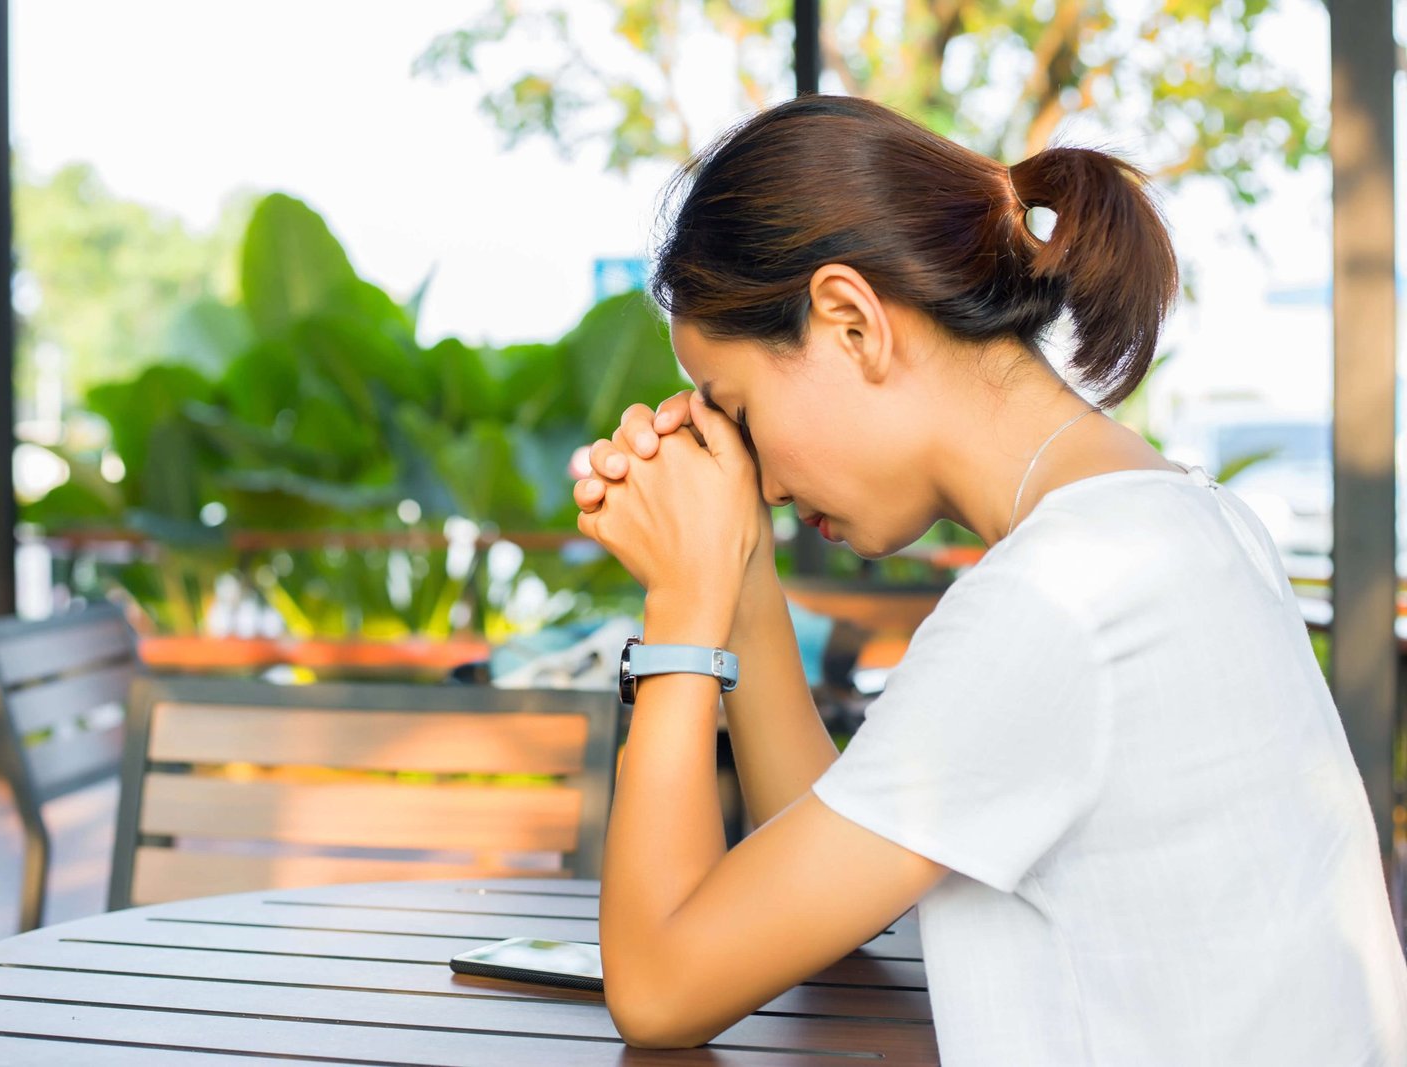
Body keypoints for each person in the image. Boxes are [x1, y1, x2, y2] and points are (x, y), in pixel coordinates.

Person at [570, 93, 1407, 1064]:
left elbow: (664, 984)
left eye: (740, 409)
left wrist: (678, 605)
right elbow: (827, 898)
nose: (748, 463)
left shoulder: (1057, 601)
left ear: (850, 323)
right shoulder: (1173, 523)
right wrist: (735, 565)